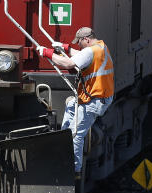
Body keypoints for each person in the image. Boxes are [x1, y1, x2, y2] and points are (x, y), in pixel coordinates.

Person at [36, 27, 114, 174]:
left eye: (79, 42)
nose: (79, 45)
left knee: (76, 134)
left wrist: (48, 53)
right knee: (71, 104)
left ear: (86, 39)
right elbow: (81, 55)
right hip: (97, 97)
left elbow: (68, 64)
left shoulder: (91, 51)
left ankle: (73, 170)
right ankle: (64, 141)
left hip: (95, 101)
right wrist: (65, 48)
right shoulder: (100, 47)